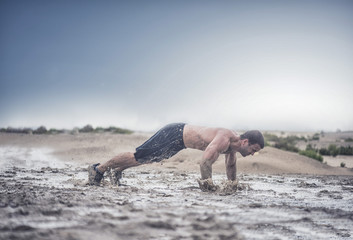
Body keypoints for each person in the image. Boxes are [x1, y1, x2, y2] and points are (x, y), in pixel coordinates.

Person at [88, 123, 264, 186]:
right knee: (139, 155)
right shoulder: (225, 137)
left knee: (148, 159)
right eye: (253, 150)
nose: (251, 154)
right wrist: (208, 187)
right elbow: (204, 163)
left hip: (180, 142)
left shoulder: (233, 148)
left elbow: (231, 167)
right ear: (245, 142)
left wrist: (233, 187)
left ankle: (116, 172)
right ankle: (99, 169)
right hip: (175, 132)